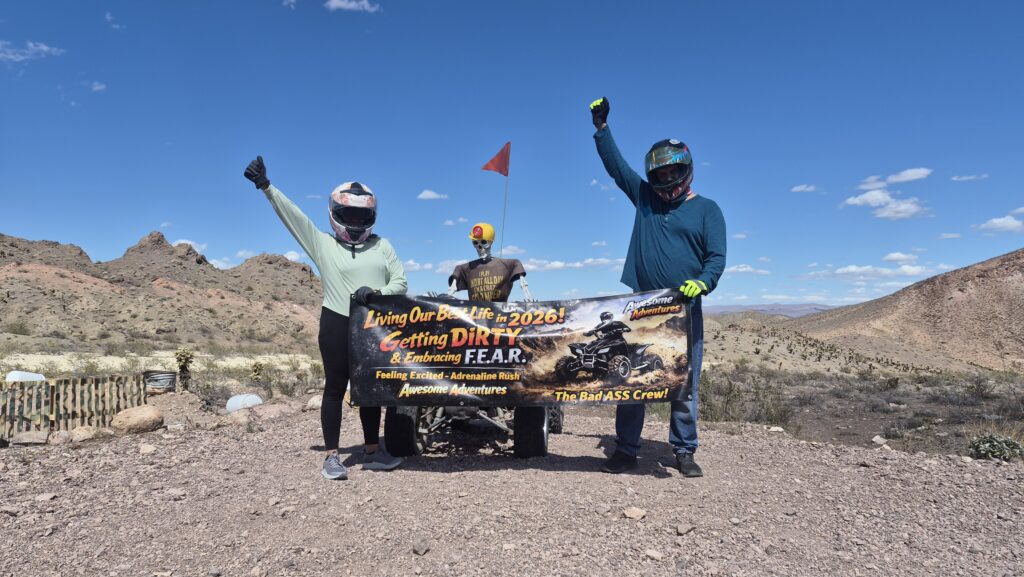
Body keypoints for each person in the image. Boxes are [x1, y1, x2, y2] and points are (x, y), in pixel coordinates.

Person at [244, 156, 408, 480]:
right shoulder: (322, 244)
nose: (356, 221)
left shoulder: (383, 245)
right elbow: (294, 217)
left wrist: (373, 291)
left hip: (370, 325)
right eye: (349, 214)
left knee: (370, 388)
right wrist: (266, 187)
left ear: (371, 216)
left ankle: (373, 451)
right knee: (335, 388)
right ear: (335, 213)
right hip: (335, 321)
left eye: (362, 215)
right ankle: (332, 457)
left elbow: (400, 282)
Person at [588, 97, 726, 477]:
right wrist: (602, 130)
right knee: (631, 378)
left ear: (686, 171)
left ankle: (684, 450)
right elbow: (618, 169)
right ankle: (625, 449)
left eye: (672, 174)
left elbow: (715, 258)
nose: (665, 182)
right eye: (659, 176)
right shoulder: (645, 198)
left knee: (683, 379)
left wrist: (703, 282)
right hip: (642, 307)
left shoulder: (707, 210)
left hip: (683, 307)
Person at [445, 222, 533, 301]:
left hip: (499, 315)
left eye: (483, 242)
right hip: (475, 314)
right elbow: (457, 273)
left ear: (491, 242)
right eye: (475, 243)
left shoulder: (506, 264)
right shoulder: (466, 268)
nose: (479, 247)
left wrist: (528, 298)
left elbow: (516, 264)